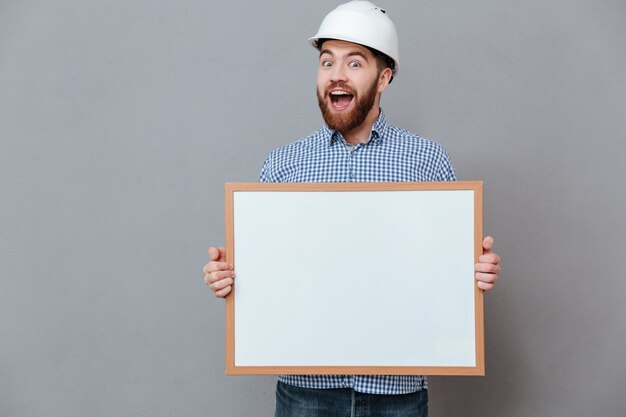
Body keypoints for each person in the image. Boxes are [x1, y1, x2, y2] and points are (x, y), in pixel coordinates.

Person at [203, 1, 501, 416]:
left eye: (354, 63)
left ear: (384, 78)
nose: (336, 75)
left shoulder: (426, 161)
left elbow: (445, 274)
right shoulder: (283, 165)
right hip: (305, 391)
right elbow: (269, 274)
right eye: (327, 62)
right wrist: (230, 278)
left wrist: (474, 273)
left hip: (395, 390)